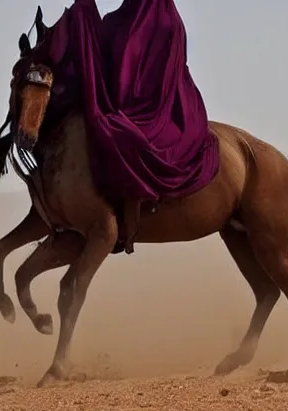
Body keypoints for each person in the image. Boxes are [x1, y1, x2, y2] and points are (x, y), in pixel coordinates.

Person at [29, 0, 219, 254]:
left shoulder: (167, 23)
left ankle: (125, 218)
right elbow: (96, 55)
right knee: (100, 126)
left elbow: (164, 76)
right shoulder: (114, 23)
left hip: (159, 107)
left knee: (121, 134)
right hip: (123, 102)